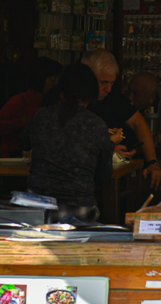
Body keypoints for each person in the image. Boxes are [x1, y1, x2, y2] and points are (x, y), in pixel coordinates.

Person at [20, 63, 115, 221]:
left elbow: (23, 143)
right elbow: (104, 175)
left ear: (61, 92)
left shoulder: (42, 116)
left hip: (37, 208)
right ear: (91, 95)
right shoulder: (97, 124)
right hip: (80, 210)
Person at [81, 49, 161, 191]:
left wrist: (153, 163)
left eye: (112, 83)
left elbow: (138, 123)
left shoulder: (113, 95)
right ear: (87, 76)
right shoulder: (71, 102)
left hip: (118, 172)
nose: (108, 89)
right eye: (103, 82)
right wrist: (108, 149)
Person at [0, 56, 63, 157]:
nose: (57, 84)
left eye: (59, 80)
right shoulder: (21, 101)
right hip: (14, 160)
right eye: (53, 80)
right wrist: (22, 122)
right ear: (40, 79)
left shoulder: (58, 102)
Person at [127, 72, 161, 160]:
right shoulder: (127, 105)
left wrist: (148, 133)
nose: (130, 97)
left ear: (151, 98)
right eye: (129, 91)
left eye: (135, 93)